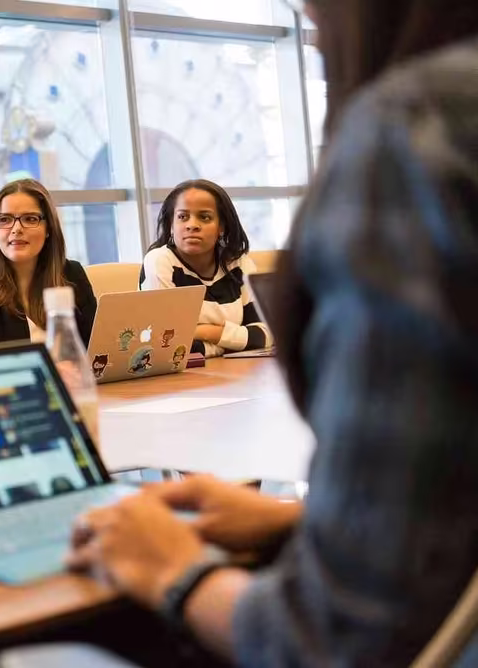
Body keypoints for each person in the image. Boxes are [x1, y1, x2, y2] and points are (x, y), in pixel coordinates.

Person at [69, 0, 478, 665]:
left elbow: (336, 637)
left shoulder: (416, 131)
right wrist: (304, 522)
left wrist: (175, 568)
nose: (309, 17)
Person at [139, 180, 271, 358]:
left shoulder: (239, 264)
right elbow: (166, 344)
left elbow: (266, 334)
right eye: (182, 217)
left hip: (236, 374)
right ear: (171, 225)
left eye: (205, 217)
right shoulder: (159, 261)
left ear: (221, 227)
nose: (192, 225)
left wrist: (205, 332)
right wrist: (231, 344)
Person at [0, 179, 96, 347]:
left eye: (30, 219)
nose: (16, 229)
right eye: (5, 219)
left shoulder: (72, 274)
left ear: (48, 229)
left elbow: (96, 349)